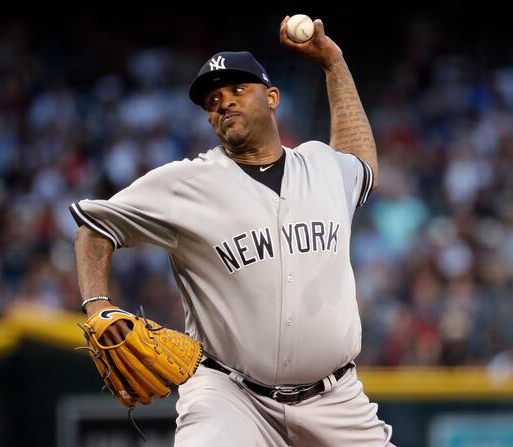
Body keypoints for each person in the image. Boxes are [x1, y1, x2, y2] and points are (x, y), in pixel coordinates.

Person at [70, 15, 394, 447]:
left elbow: (359, 159)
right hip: (229, 395)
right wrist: (96, 305)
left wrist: (333, 64)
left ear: (273, 97)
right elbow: (95, 227)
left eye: (238, 90)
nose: (224, 102)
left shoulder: (322, 165)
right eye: (213, 100)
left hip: (336, 401)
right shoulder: (185, 183)